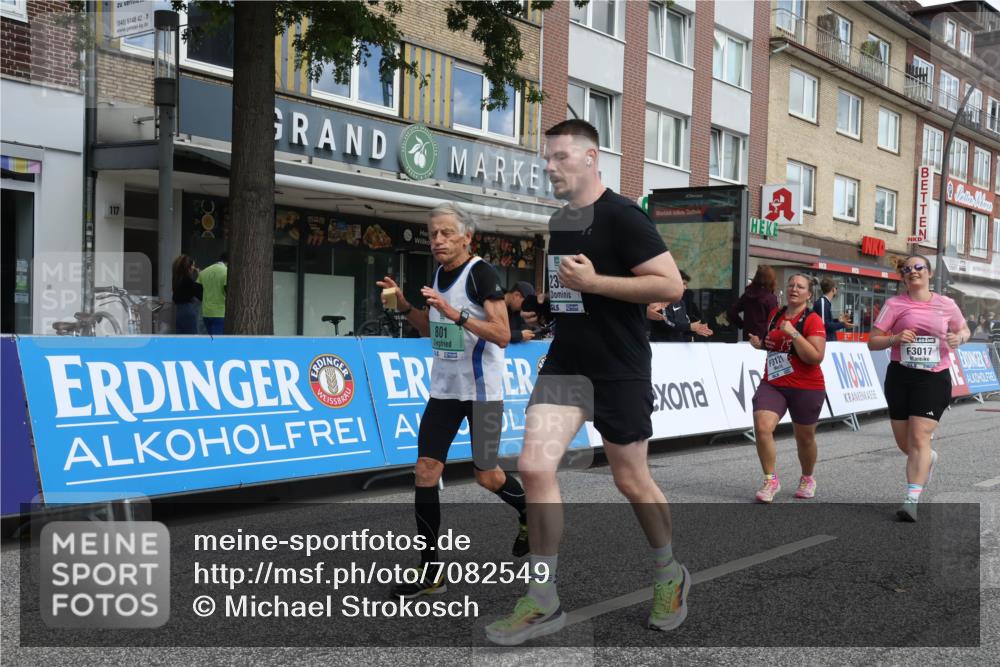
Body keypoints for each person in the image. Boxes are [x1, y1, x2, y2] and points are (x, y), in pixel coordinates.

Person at [486, 119, 689, 646]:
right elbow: (570, 290)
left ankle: (669, 574)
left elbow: (670, 285)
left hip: (620, 368)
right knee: (534, 467)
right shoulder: (560, 220)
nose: (549, 166)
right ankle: (542, 599)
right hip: (567, 364)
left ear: (590, 157)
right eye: (546, 158)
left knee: (631, 480)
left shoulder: (624, 216)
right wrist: (552, 308)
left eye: (560, 157)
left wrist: (595, 282)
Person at [376, 202, 530, 599]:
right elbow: (432, 329)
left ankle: (528, 511)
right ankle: (431, 572)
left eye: (446, 233)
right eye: (433, 234)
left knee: (487, 476)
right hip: (444, 391)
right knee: (425, 471)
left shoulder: (481, 273)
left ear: (467, 237)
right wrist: (405, 306)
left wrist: (455, 313)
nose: (438, 240)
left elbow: (501, 334)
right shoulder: (438, 275)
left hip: (482, 394)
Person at [868, 254, 970, 522]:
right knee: (906, 444)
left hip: (933, 378)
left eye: (918, 267)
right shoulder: (894, 304)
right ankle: (928, 458)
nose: (913, 271)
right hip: (900, 376)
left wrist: (958, 338)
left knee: (919, 437)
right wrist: (895, 338)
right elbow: (872, 341)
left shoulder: (946, 304)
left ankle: (911, 500)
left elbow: (964, 330)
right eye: (907, 269)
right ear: (903, 276)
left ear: (929, 272)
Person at [747, 274, 828, 503]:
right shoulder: (776, 314)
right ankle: (770, 480)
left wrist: (794, 333)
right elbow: (775, 345)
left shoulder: (813, 320)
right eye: (791, 285)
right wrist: (760, 345)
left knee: (805, 438)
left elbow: (815, 357)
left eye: (800, 287)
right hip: (773, 383)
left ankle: (807, 478)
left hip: (806, 386)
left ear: (809, 294)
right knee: (762, 426)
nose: (794, 289)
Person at [647, 270, 713, 342]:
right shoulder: (660, 299)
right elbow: (667, 322)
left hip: (678, 345)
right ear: (673, 283)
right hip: (661, 345)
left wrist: (695, 329)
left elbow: (682, 325)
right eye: (683, 283)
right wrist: (690, 327)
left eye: (686, 284)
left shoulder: (681, 302)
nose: (685, 288)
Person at [728, 265, 779, 341]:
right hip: (764, 339)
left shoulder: (747, 295)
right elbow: (775, 320)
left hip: (748, 337)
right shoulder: (770, 298)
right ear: (771, 280)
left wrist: (742, 324)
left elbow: (731, 312)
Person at [812, 277, 853, 342]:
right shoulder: (823, 302)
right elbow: (824, 325)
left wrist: (838, 320)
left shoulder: (825, 302)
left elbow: (826, 322)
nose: (836, 290)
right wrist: (843, 324)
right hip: (825, 343)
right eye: (836, 288)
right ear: (833, 289)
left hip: (828, 342)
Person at [197, 251, 228, 335]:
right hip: (220, 313)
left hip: (206, 312)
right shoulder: (227, 272)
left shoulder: (204, 271)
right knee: (218, 341)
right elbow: (227, 290)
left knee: (209, 339)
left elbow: (197, 290)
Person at [171, 254, 203, 334]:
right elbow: (199, 294)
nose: (194, 268)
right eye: (193, 265)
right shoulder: (188, 280)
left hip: (179, 310)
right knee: (191, 336)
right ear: (189, 267)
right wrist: (200, 277)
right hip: (188, 310)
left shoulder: (177, 279)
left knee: (181, 336)